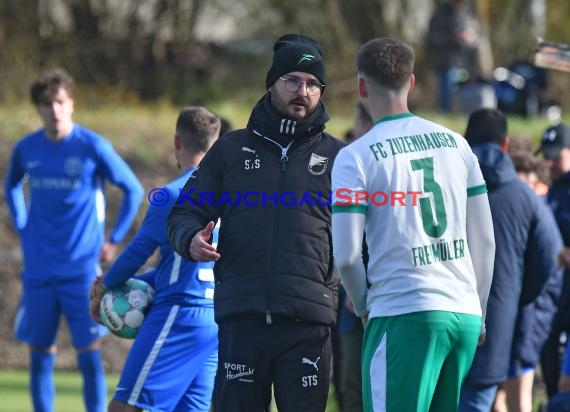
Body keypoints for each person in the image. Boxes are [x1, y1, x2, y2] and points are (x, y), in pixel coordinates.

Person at [167, 33, 344, 412]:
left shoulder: (340, 158)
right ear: (271, 84)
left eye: (314, 84)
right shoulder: (231, 149)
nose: (303, 90)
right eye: (292, 80)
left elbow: (366, 235)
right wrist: (190, 239)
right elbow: (185, 213)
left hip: (309, 324)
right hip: (242, 319)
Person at [331, 37, 495, 412]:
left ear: (361, 86)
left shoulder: (354, 156)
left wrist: (363, 305)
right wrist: (479, 310)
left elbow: (346, 257)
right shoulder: (457, 143)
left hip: (404, 313)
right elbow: (485, 242)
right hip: (463, 315)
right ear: (412, 82)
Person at [4, 68, 144, 412]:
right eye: (47, 103)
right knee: (40, 352)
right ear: (38, 108)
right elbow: (10, 185)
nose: (54, 110)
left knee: (88, 351)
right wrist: (22, 225)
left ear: (72, 104)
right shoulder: (27, 149)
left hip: (81, 269)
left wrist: (113, 239)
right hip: (38, 268)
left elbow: (133, 189)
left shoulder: (92, 146)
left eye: (60, 102)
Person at [89, 106, 221, 412]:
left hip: (179, 314)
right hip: (214, 320)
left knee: (124, 408)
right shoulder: (230, 195)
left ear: (177, 142)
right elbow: (175, 267)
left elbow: (138, 251)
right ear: (216, 143)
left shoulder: (172, 194)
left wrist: (104, 286)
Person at [456, 109, 563, 412]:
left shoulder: (445, 186)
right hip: (497, 327)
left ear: (466, 140)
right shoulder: (524, 196)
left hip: (441, 321)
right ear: (505, 145)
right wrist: (517, 295)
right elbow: (550, 256)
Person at [336, 100, 372, 412]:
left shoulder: (385, 170)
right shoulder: (345, 169)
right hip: (346, 302)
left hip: (382, 297)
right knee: (349, 385)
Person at [537, 123, 570, 399]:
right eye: (546, 156)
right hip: (552, 304)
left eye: (556, 155)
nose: (550, 163)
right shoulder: (552, 192)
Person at [426, 0, 484, 112]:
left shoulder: (465, 15)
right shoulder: (440, 16)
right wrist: (455, 37)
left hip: (464, 62)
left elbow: (475, 35)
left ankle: (456, 113)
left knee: (461, 93)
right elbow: (434, 38)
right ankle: (445, 114)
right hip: (446, 62)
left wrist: (470, 38)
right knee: (446, 93)